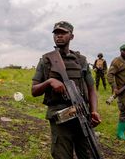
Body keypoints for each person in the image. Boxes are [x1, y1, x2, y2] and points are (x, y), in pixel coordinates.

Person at [31, 21, 101, 159]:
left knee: (89, 153)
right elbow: (34, 91)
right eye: (56, 33)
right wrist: (50, 82)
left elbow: (91, 89)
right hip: (60, 118)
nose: (59, 36)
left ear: (72, 36)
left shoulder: (81, 60)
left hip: (82, 114)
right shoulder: (46, 60)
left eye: (63, 33)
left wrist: (93, 111)